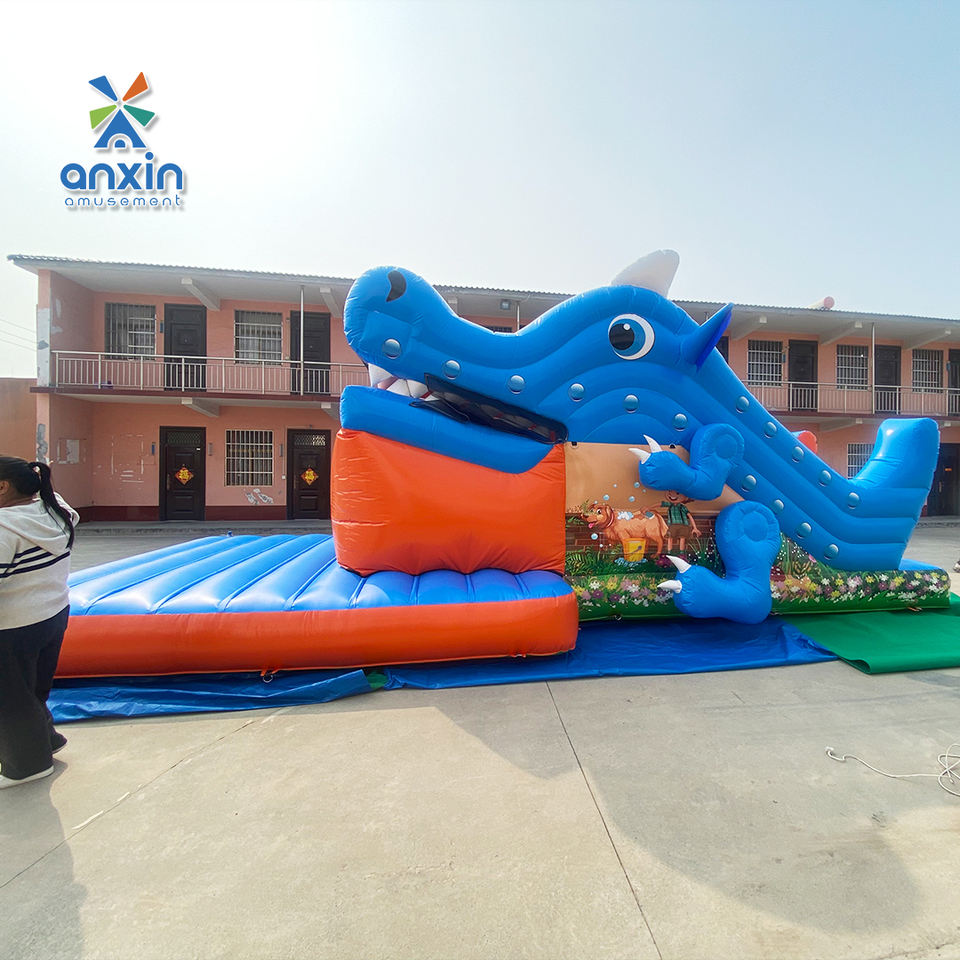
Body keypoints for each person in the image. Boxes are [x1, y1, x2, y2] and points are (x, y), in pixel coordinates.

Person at [0, 456, 78, 789]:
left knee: (11, 697)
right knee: (32, 688)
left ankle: (27, 766)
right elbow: (56, 499)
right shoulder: (54, 510)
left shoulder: (5, 529)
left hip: (13, 625)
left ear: (3, 487)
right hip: (53, 614)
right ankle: (46, 740)